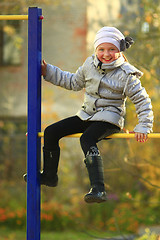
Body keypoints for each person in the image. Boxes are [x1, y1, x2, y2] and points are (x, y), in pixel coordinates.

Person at [24, 27, 154, 204]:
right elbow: (73, 82)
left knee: (87, 139)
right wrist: (49, 72)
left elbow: (143, 101)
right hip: (87, 115)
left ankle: (98, 189)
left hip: (110, 119)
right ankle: (49, 176)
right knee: (51, 131)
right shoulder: (89, 65)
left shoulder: (127, 74)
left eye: (111, 49)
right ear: (95, 50)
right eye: (101, 49)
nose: (106, 54)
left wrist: (144, 126)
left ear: (119, 50)